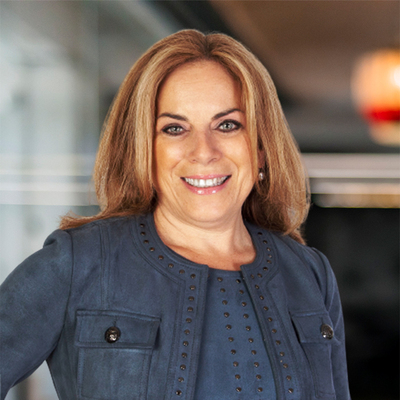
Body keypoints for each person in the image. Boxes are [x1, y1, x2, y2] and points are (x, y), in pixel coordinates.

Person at [0, 30, 350, 400]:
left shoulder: (310, 274)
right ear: (144, 150)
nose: (204, 151)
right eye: (174, 128)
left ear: (261, 148)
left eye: (228, 125)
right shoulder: (78, 264)